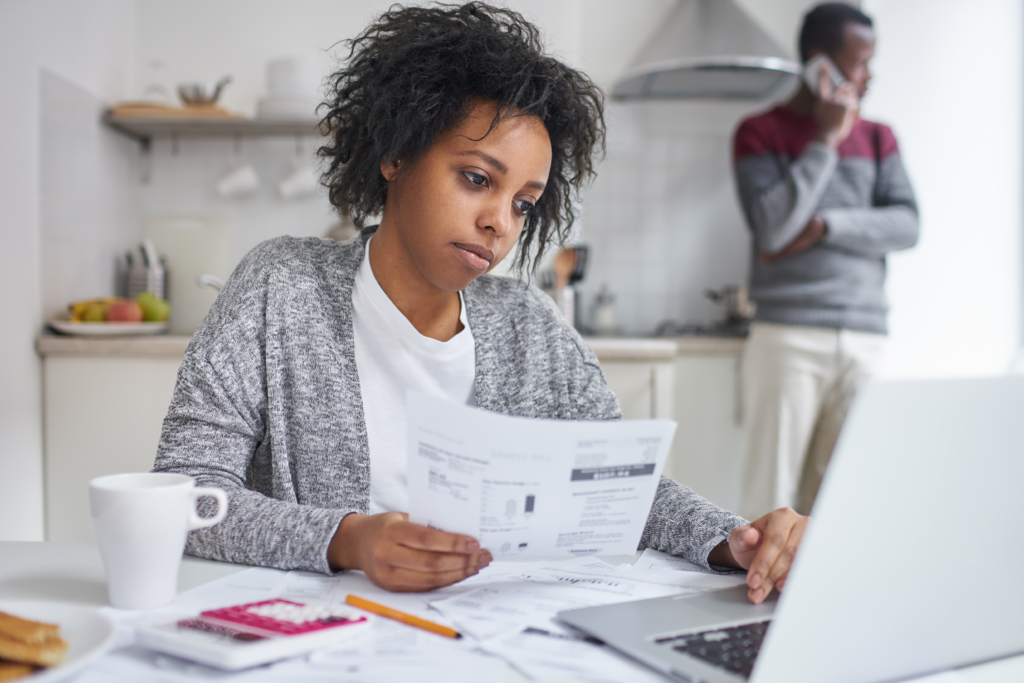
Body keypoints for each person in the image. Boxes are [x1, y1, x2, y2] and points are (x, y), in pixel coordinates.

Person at [154, 2, 806, 605]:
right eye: (476, 179)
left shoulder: (529, 326)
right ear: (395, 153)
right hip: (315, 644)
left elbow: (622, 492)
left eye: (524, 202)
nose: (500, 222)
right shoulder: (279, 286)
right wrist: (345, 538)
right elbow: (185, 497)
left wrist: (737, 540)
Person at [732, 3, 919, 520]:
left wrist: (824, 226)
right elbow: (772, 228)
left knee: (845, 502)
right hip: (788, 336)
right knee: (768, 502)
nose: (868, 76)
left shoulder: (880, 138)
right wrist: (825, 142)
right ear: (820, 63)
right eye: (859, 64)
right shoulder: (758, 132)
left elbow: (907, 225)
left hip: (864, 336)